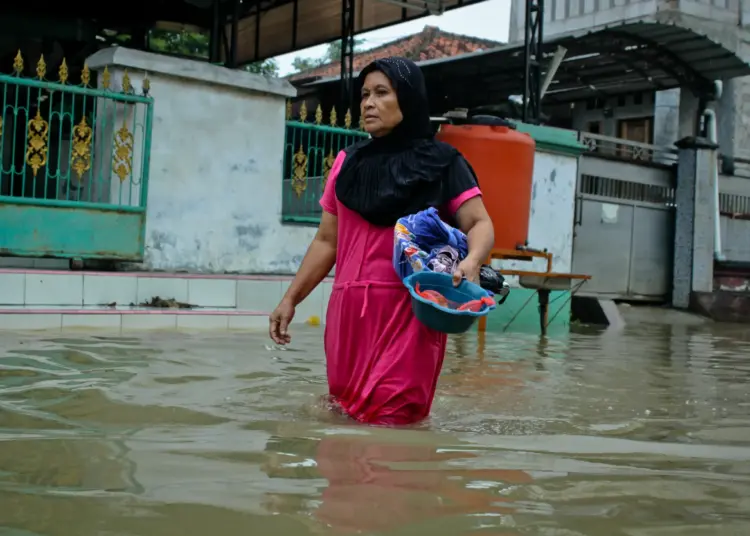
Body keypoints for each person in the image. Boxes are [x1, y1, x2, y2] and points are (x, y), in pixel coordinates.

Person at [269, 57, 494, 426]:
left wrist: (473, 260)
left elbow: (480, 223)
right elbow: (327, 242)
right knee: (345, 417)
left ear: (407, 98)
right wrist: (290, 299)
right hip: (348, 314)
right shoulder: (347, 163)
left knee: (394, 421)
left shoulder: (443, 162)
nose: (368, 103)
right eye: (364, 95)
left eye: (381, 93)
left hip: (411, 312)